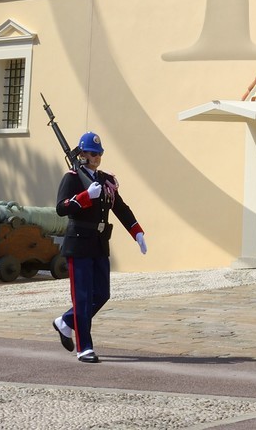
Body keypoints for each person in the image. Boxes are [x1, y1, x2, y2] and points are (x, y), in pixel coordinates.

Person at [50, 131, 146, 362]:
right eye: (92, 153)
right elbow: (61, 208)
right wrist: (84, 196)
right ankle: (84, 348)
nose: (96, 157)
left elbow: (120, 208)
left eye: (99, 153)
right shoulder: (72, 177)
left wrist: (137, 231)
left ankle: (66, 321)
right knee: (82, 298)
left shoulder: (106, 180)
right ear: (82, 154)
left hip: (100, 244)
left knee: (102, 293)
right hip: (79, 244)